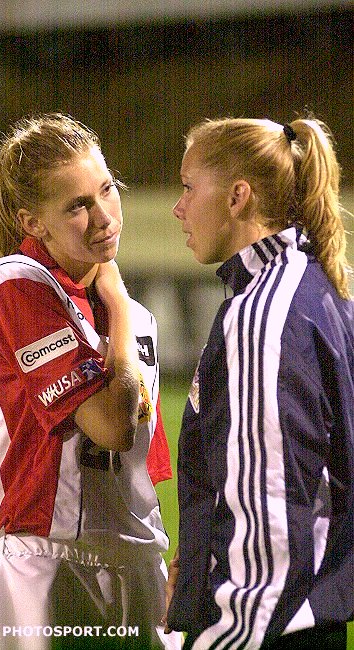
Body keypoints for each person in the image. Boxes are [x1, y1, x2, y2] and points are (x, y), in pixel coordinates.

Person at [0, 112, 182, 650]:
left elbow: (141, 463)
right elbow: (112, 427)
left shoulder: (132, 316)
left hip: (137, 561)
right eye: (78, 205)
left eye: (107, 189)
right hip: (47, 567)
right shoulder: (15, 284)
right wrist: (119, 307)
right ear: (32, 222)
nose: (104, 216)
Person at [165, 116, 353, 649]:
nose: (179, 207)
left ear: (237, 197)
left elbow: (269, 515)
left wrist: (225, 630)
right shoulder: (319, 288)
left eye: (188, 187)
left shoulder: (262, 316)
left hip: (265, 626)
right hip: (309, 616)